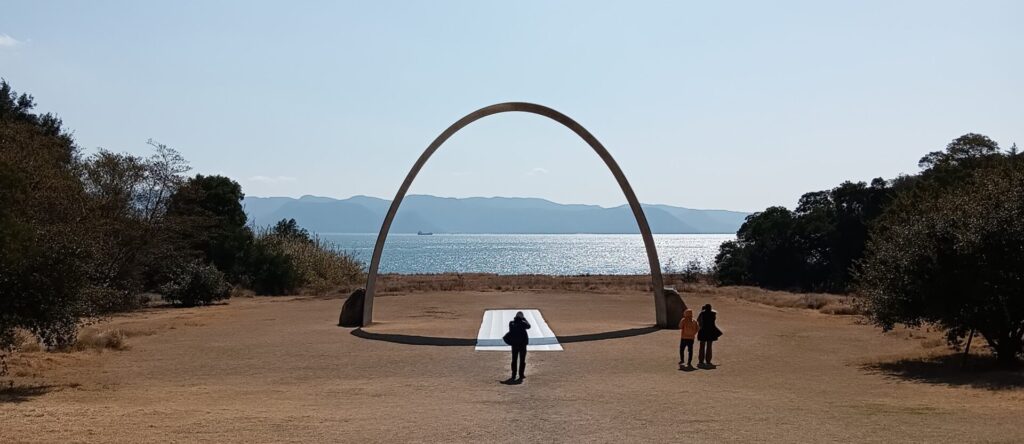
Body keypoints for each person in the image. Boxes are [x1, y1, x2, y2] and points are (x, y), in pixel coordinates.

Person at [506, 311, 531, 382]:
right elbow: (529, 326)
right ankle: (521, 374)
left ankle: (513, 375)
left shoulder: (511, 323)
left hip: (514, 345)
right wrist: (524, 319)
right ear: (521, 317)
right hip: (522, 345)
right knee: (522, 360)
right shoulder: (523, 323)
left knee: (514, 360)